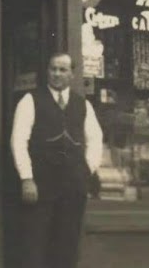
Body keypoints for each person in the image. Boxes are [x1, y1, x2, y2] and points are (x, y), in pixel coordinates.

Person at [9, 52, 103, 268]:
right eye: (53, 69)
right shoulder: (31, 100)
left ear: (72, 74)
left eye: (63, 70)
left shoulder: (83, 105)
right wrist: (27, 178)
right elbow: (18, 140)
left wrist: (86, 170)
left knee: (67, 244)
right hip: (41, 183)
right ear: (47, 71)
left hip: (73, 184)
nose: (57, 74)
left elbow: (95, 139)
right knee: (35, 242)